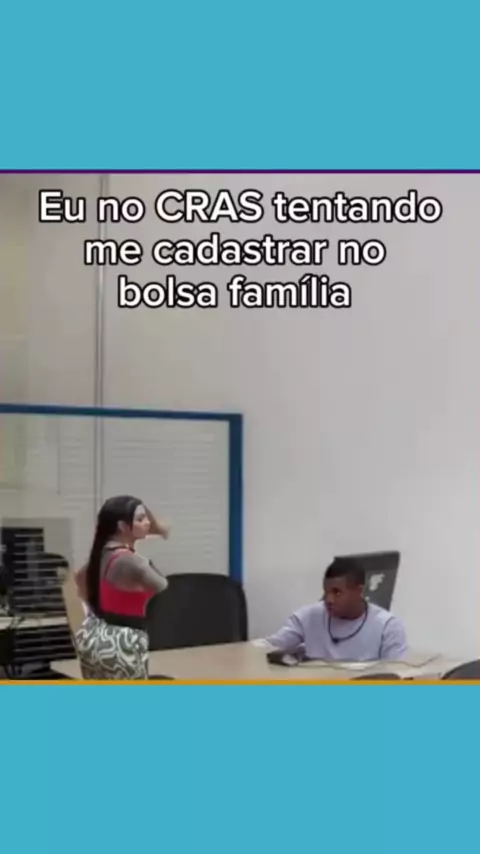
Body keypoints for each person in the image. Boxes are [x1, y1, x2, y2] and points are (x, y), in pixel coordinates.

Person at [74, 495, 170, 680]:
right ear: (122, 526)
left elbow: (79, 579)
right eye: (140, 519)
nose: (148, 523)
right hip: (124, 642)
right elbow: (164, 589)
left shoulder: (101, 554)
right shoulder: (132, 562)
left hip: (95, 634)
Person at [266, 557, 408, 661]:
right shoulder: (309, 616)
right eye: (326, 591)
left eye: (337, 592)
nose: (328, 599)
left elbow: (398, 675)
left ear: (359, 590)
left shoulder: (387, 627)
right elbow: (269, 647)